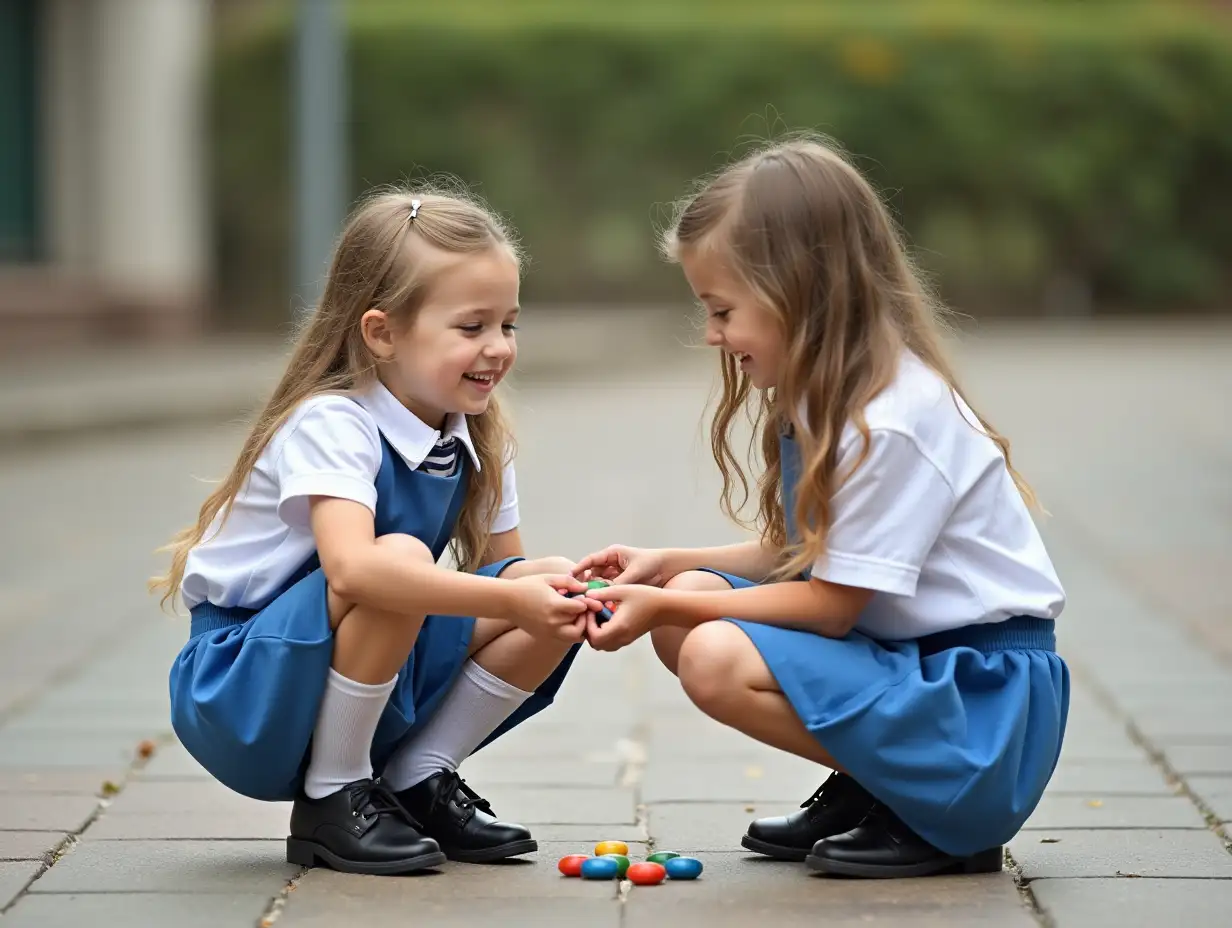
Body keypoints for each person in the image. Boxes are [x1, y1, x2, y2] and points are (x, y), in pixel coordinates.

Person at [575, 137, 1069, 879]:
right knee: (690, 603)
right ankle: (883, 781)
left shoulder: (891, 420)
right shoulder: (823, 397)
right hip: (918, 673)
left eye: (722, 310)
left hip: (978, 712)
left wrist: (659, 604)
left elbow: (832, 605)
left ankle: (930, 809)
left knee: (705, 646)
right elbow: (808, 554)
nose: (711, 334)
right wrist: (668, 569)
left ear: (798, 293)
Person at [152, 188, 602, 876]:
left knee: (550, 584)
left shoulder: (475, 433)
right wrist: (511, 600)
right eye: (471, 326)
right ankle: (333, 795)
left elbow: (501, 574)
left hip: (358, 655)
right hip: (246, 687)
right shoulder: (334, 423)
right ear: (382, 332)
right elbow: (355, 574)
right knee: (397, 560)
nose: (498, 348)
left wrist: (562, 591)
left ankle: (417, 779)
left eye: (508, 324)